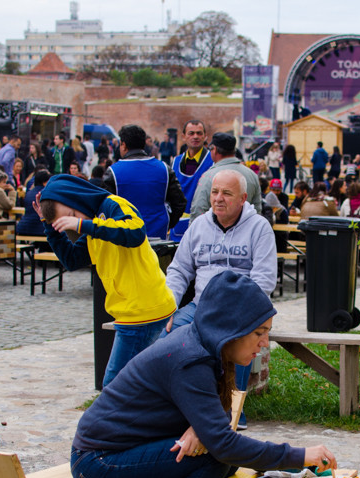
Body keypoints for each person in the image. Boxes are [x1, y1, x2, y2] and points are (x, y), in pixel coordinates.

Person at [70, 269, 336, 478]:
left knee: (222, 459)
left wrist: (201, 429)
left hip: (120, 451)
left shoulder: (208, 345)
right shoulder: (190, 360)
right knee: (214, 457)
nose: (265, 344)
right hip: (98, 462)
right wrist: (300, 455)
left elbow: (220, 421)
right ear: (231, 328)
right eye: (258, 333)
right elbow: (223, 442)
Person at [37, 174, 177, 385]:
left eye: (72, 214)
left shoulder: (112, 205)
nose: (75, 222)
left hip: (144, 310)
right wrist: (50, 227)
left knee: (114, 385)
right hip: (133, 312)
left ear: (76, 198)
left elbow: (136, 232)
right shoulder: (92, 226)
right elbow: (72, 260)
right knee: (135, 385)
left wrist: (83, 224)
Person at [164, 170, 277, 429]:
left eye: (227, 193)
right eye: (215, 192)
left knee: (239, 337)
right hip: (200, 306)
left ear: (243, 198)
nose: (218, 198)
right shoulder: (199, 226)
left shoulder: (259, 227)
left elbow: (264, 280)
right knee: (168, 336)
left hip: (243, 309)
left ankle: (232, 411)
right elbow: (179, 270)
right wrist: (169, 305)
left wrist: (237, 311)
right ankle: (176, 406)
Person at [102, 124, 188, 239]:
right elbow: (180, 202)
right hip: (158, 236)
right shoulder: (164, 168)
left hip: (125, 237)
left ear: (123, 145)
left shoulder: (113, 172)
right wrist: (167, 223)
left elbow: (104, 208)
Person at [189, 133, 262, 218]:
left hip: (215, 230)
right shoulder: (252, 175)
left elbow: (198, 209)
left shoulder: (209, 176)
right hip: (246, 229)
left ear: (214, 149)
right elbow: (256, 211)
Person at [17, 169, 50, 238]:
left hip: (23, 227)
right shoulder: (46, 193)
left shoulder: (28, 193)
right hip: (40, 229)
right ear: (44, 182)